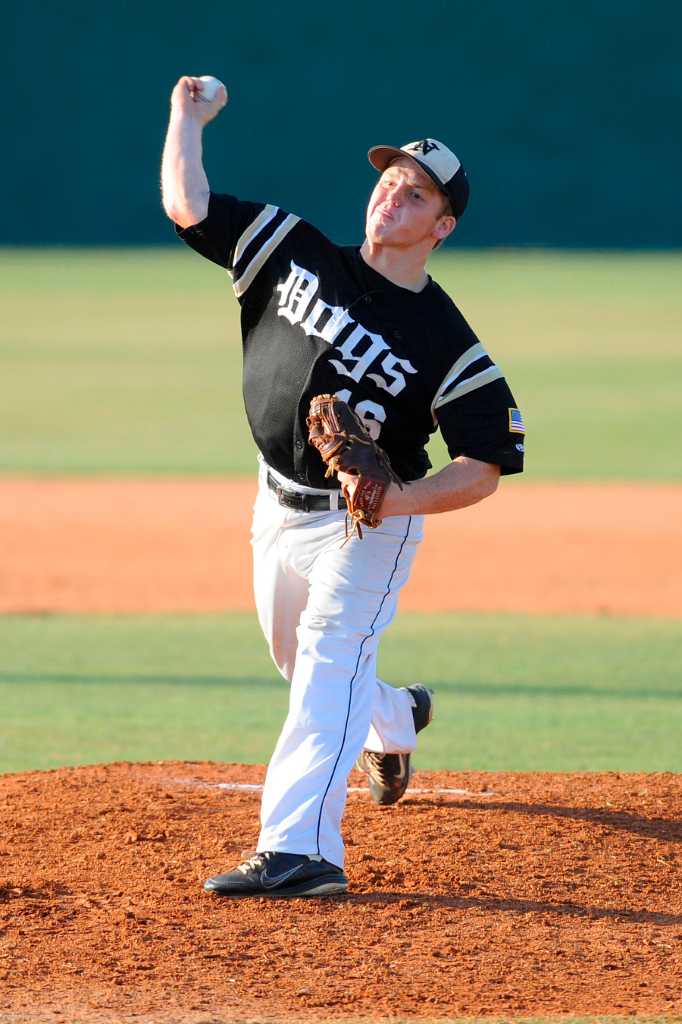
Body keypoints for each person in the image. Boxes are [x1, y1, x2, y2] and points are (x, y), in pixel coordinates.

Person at [161, 75, 525, 899]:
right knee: (299, 658)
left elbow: (483, 466)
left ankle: (303, 851)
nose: (395, 191)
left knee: (328, 661)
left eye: (418, 190)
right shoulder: (292, 247)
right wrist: (186, 118)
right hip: (274, 505)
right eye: (391, 177)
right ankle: (395, 718)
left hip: (366, 529)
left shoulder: (445, 341)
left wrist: (391, 501)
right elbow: (189, 206)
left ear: (443, 225)